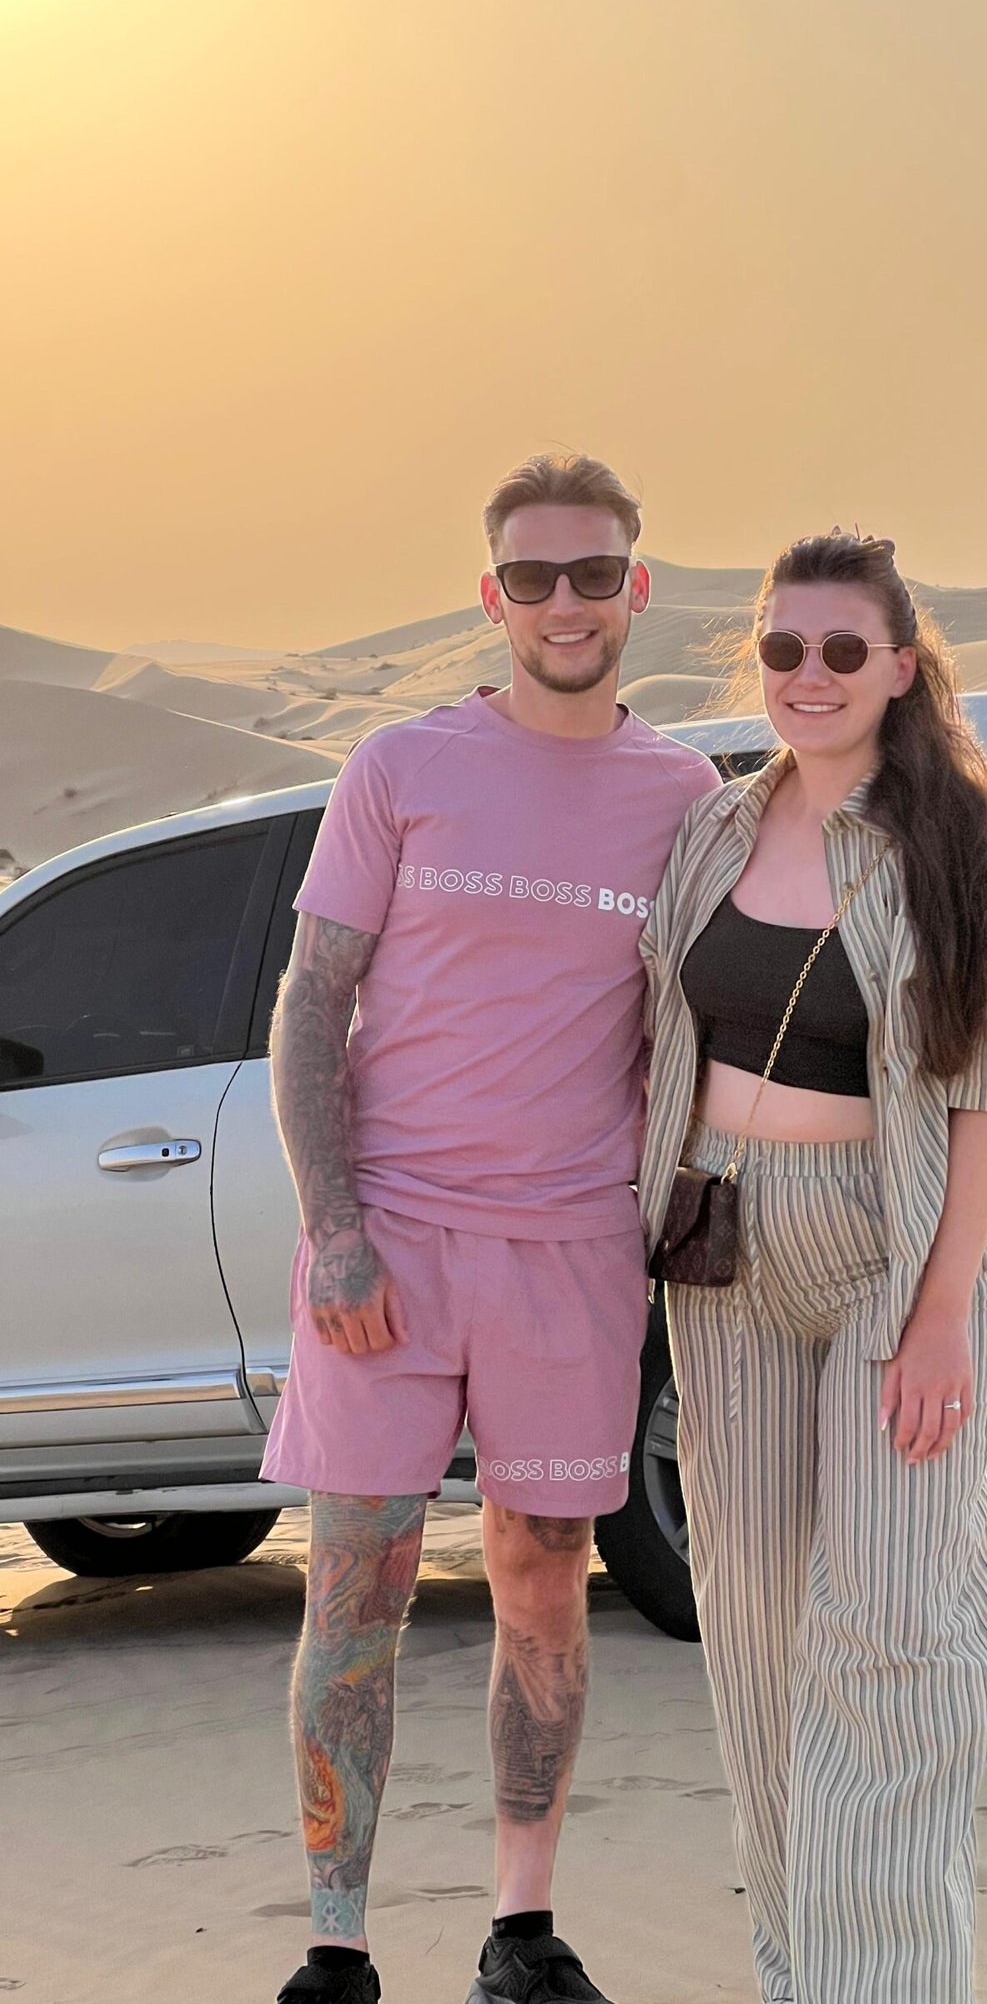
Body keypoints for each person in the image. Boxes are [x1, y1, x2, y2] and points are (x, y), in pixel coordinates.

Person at [262, 453, 721, 2004]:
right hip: (390, 1241)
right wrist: (334, 1228)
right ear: (493, 595)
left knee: (542, 1574)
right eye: (534, 576)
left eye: (593, 573)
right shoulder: (400, 765)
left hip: (570, 1252)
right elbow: (312, 1001)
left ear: (635, 587)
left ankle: (521, 1933)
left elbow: (707, 1021)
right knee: (357, 1586)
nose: (565, 603)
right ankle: (337, 1945)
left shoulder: (685, 797)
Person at [638, 530, 987, 2004]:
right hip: (723, 1252)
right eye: (780, 647)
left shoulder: (954, 850)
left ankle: (891, 1985)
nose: (805, 676)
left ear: (899, 669)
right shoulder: (711, 830)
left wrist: (944, 1319)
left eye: (838, 651)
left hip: (896, 1250)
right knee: (753, 1635)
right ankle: (800, 1973)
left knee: (891, 1633)